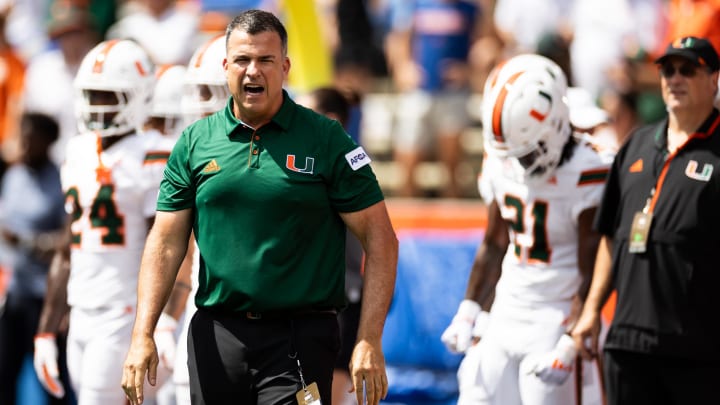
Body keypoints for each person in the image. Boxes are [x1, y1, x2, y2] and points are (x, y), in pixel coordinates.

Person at [121, 9, 398, 405]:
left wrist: (369, 338)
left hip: (299, 338)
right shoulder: (195, 141)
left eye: (265, 60)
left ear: (285, 67)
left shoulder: (327, 139)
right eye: (243, 60)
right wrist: (142, 332)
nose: (253, 71)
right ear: (226, 66)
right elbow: (165, 241)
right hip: (217, 334)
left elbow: (382, 239)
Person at [441, 54, 609, 404]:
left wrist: (571, 338)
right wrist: (469, 310)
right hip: (508, 308)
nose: (518, 163)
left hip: (557, 314)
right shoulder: (502, 157)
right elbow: (494, 241)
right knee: (475, 393)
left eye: (527, 153)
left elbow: (592, 267)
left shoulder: (589, 168)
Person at [571, 36, 720, 405]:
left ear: (715, 79)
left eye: (688, 70)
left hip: (697, 348)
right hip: (628, 343)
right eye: (667, 70)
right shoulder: (636, 145)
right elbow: (609, 236)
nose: (675, 79)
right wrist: (591, 310)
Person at [32, 38, 177, 405]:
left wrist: (161, 320)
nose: (97, 106)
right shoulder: (78, 150)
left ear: (139, 95)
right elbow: (68, 249)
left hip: (124, 312)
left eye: (108, 96)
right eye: (92, 95)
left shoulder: (153, 155)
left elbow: (164, 248)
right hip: (81, 310)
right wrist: (46, 332)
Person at [296, 86, 366, 405]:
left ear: (331, 120)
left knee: (325, 396)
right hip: (314, 297)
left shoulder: (345, 164)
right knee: (307, 393)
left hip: (338, 297)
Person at [0, 112, 68, 404]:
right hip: (12, 294)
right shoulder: (12, 175)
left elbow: (67, 242)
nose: (24, 143)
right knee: (3, 375)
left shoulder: (60, 182)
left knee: (51, 380)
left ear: (48, 141)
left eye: (31, 137)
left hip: (45, 298)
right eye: (22, 135)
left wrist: (28, 243)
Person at [385, 0, 480, 198]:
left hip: (453, 93)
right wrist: (403, 68)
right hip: (418, 92)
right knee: (408, 161)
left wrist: (468, 70)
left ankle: (452, 222)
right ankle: (406, 222)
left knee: (452, 166)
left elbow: (483, 44)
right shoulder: (414, 5)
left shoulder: (470, 8)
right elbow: (398, 38)